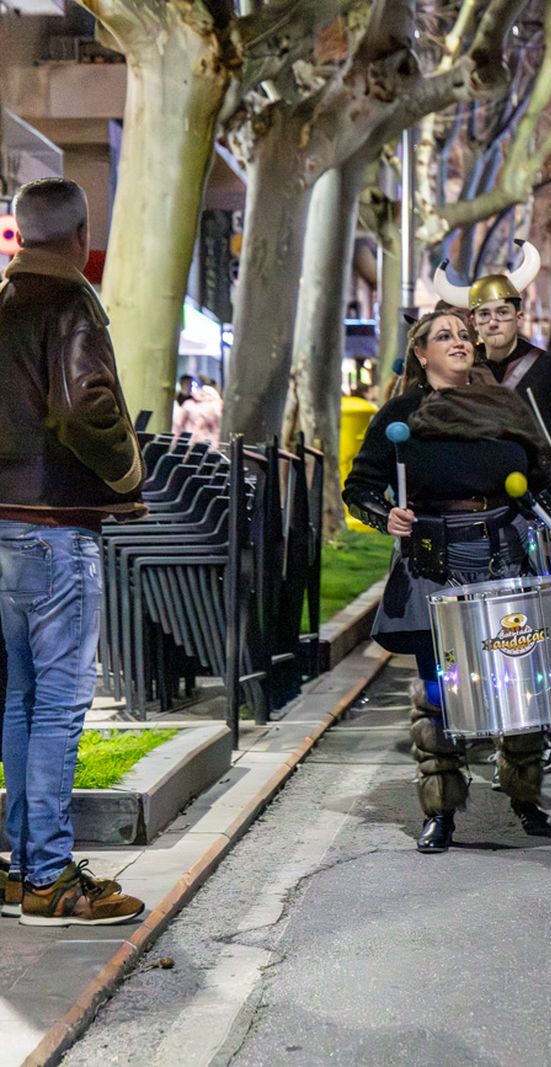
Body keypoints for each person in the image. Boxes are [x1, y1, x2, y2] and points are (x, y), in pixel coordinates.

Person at [343, 309, 551, 852]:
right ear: (421, 354)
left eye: (464, 336)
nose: (459, 343)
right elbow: (359, 489)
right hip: (433, 557)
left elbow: (538, 478)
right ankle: (441, 811)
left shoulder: (504, 407)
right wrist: (387, 518)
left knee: (517, 683)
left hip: (502, 550)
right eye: (444, 336)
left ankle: (525, 799)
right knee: (439, 690)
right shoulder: (399, 416)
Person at [0, 177, 147, 925]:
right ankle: (51, 880)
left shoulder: (4, 303)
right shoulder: (71, 302)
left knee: (21, 701)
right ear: (81, 231)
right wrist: (127, 468)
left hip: (4, 527)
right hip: (56, 529)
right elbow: (87, 403)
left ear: (23, 232)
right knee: (57, 705)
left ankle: (22, 867)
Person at [432, 242, 551, 494]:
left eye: (502, 312)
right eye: (483, 315)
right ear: (473, 321)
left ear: (519, 317)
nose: (493, 322)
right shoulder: (461, 369)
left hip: (540, 492)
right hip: (476, 494)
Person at [173, 376, 223, 446]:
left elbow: (217, 427)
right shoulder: (189, 404)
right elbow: (178, 426)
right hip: (195, 443)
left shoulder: (214, 405)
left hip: (206, 443)